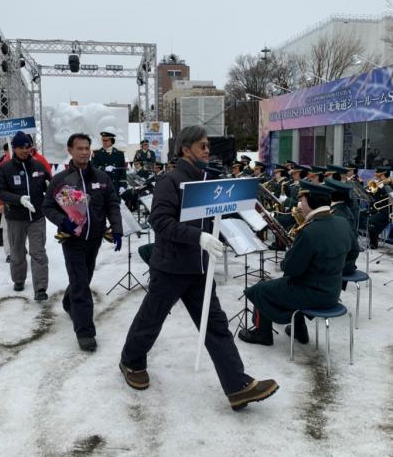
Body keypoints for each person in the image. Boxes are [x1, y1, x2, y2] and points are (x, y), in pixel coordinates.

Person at [119, 126, 279, 411]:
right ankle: (131, 361)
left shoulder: (208, 180)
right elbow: (161, 222)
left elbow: (214, 216)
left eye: (208, 146)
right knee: (151, 318)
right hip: (170, 267)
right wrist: (199, 237)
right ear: (185, 149)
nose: (208, 150)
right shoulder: (170, 181)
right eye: (202, 146)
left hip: (200, 268)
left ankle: (237, 386)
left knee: (216, 325)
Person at [238, 180, 356, 346]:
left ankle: (262, 334)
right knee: (287, 287)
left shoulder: (309, 231)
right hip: (333, 292)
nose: (300, 204)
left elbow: (291, 269)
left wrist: (292, 253)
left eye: (302, 200)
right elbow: (354, 252)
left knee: (260, 289)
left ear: (310, 202)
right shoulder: (342, 223)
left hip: (312, 294)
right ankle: (299, 329)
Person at [43, 133, 123, 352]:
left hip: (94, 238)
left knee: (84, 278)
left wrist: (116, 228)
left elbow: (112, 204)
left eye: (87, 148)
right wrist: (62, 222)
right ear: (69, 150)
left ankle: (69, 303)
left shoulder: (101, 178)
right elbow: (47, 206)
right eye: (80, 148)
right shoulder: (60, 180)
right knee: (80, 284)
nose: (85, 152)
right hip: (73, 239)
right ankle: (85, 331)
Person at [0, 131, 51, 300]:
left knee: (38, 252)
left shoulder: (39, 166)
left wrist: (50, 186)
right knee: (17, 252)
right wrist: (18, 199)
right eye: (21, 148)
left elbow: (50, 186)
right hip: (15, 218)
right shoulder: (5, 168)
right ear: (14, 148)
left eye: (27, 147)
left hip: (37, 217)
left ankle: (40, 288)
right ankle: (19, 279)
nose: (25, 150)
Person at [92, 131, 127, 196]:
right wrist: (104, 168)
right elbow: (93, 167)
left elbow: (122, 170)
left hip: (115, 185)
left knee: (114, 205)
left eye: (106, 140)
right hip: (102, 185)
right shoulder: (97, 153)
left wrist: (123, 185)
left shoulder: (120, 154)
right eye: (103, 140)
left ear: (112, 141)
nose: (104, 142)